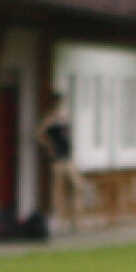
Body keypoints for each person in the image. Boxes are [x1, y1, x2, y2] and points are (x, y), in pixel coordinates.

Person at [36, 91, 86, 233]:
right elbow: (39, 134)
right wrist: (49, 146)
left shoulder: (65, 117)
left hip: (68, 156)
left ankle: (77, 221)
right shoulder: (50, 119)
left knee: (78, 186)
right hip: (57, 159)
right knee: (59, 190)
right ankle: (61, 222)